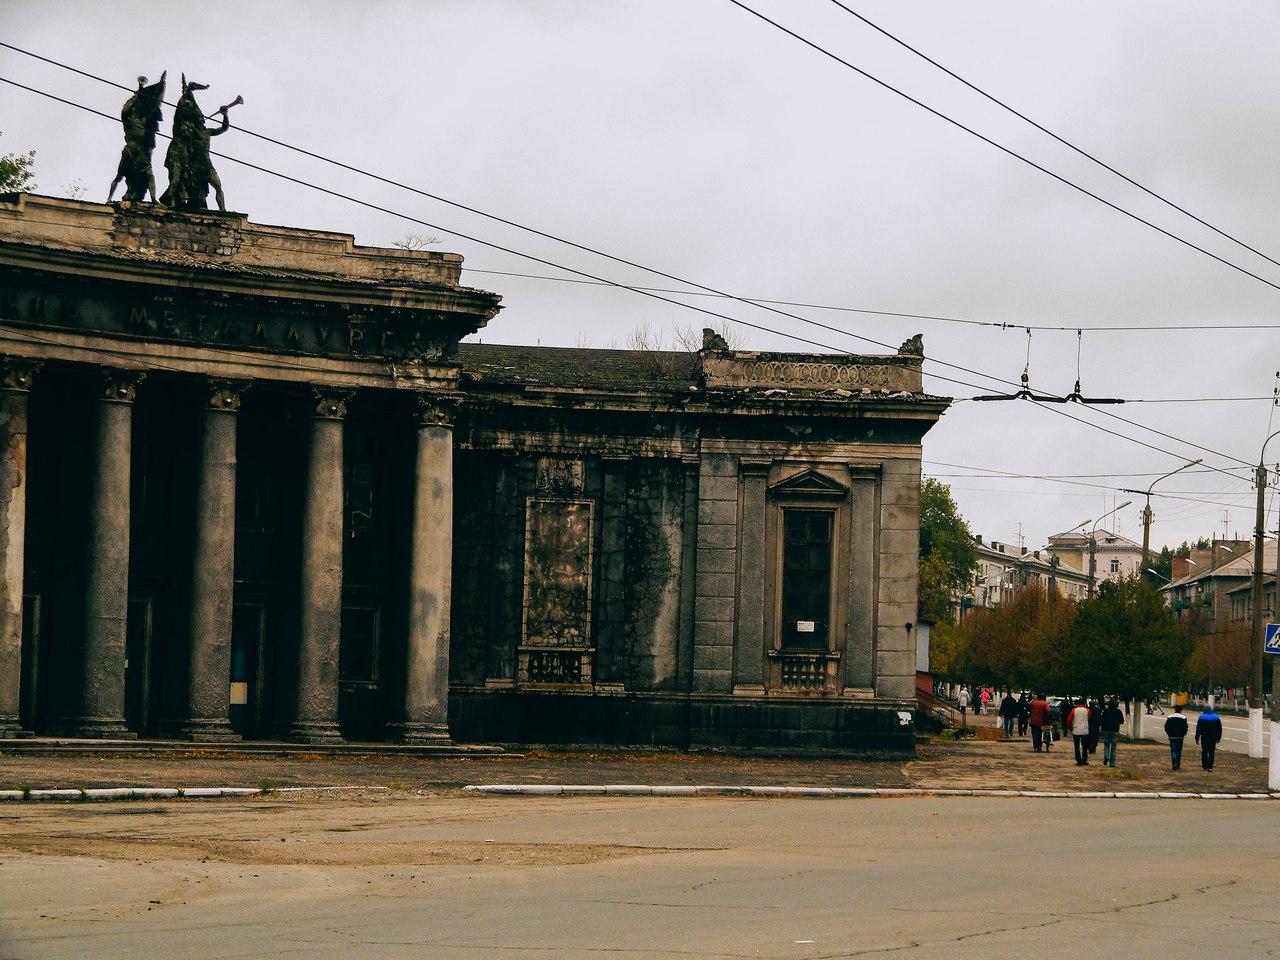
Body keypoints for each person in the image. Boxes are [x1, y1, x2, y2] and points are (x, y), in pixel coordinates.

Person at [1100, 697, 1124, 768]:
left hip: (1106, 731)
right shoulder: (1118, 711)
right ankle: (1112, 763)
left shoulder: (1106, 711)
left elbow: (1102, 721)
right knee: (1113, 747)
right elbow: (1122, 721)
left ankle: (1106, 756)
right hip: (1115, 731)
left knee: (1106, 745)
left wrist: (1102, 730)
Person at [1164, 704, 1189, 771]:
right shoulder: (1183, 717)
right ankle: (1177, 765)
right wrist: (1183, 734)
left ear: (1175, 710)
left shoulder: (1170, 717)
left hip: (1172, 737)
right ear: (1181, 710)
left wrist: (1169, 734)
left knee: (1173, 750)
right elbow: (1185, 728)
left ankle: (1174, 764)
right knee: (1178, 751)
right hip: (1180, 737)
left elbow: (1166, 727)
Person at [1068, 698, 1092, 765]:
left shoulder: (1074, 710)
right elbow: (1089, 718)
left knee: (1077, 746)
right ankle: (1084, 760)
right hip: (1085, 730)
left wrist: (1070, 728)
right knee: (1085, 746)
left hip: (1076, 730)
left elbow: (1069, 720)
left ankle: (1078, 760)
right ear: (1084, 704)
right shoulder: (1087, 710)